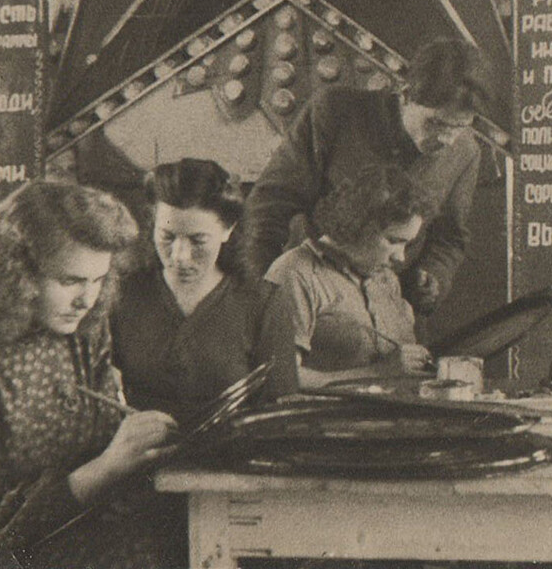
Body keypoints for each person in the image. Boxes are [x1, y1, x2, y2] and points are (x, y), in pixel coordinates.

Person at [0, 181, 184, 569]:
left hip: (72, 541)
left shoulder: (80, 329)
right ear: (14, 275)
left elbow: (102, 449)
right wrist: (108, 467)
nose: (87, 299)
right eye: (69, 281)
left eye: (98, 280)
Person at [244, 39, 486, 317]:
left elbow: (449, 238)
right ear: (406, 95)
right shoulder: (335, 111)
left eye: (458, 127)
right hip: (312, 298)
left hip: (390, 310)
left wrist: (433, 277)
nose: (445, 139)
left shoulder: (466, 152)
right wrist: (262, 294)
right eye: (435, 123)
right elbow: (269, 205)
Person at [110, 159, 300, 427]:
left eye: (198, 241)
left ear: (228, 230)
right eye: (167, 236)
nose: (180, 257)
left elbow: (282, 416)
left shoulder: (262, 303)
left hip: (232, 463)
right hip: (138, 461)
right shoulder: (122, 294)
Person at [265, 163, 436, 387]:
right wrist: (378, 373)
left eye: (407, 244)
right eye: (394, 241)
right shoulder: (295, 272)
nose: (401, 258)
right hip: (318, 419)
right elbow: (278, 379)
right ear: (357, 225)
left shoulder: (385, 278)